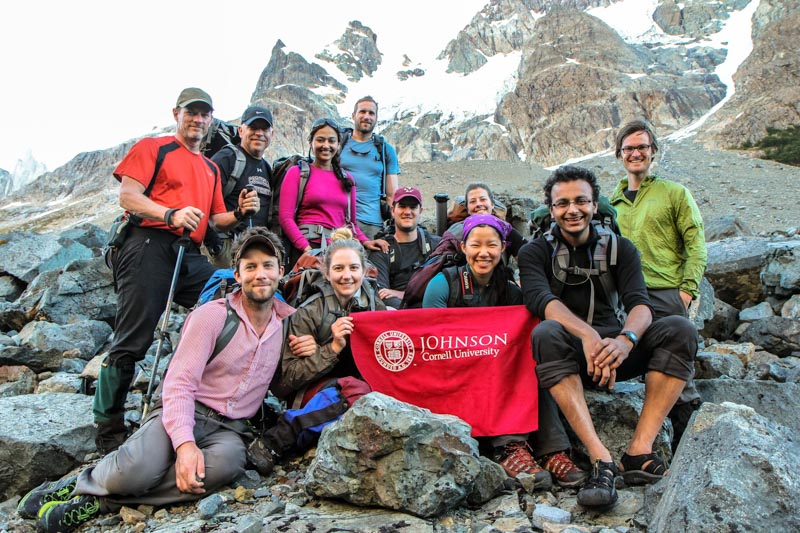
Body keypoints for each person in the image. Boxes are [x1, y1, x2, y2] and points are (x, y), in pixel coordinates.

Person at [19, 228, 293, 532]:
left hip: (230, 429)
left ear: (281, 271)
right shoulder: (212, 317)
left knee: (223, 468)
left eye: (268, 265)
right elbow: (179, 383)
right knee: (138, 468)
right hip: (186, 409)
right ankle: (84, 481)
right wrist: (186, 444)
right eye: (250, 266)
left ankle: (101, 501)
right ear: (237, 275)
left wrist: (331, 344)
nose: (260, 274)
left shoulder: (289, 322)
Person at [518, 165, 697, 509]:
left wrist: (625, 340)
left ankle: (639, 451)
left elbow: (640, 305)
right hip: (569, 354)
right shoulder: (534, 253)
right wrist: (587, 336)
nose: (573, 210)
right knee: (546, 332)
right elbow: (542, 301)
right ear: (552, 209)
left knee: (680, 329)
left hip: (617, 352)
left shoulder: (622, 248)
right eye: (563, 203)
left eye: (581, 201)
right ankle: (601, 458)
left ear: (595, 203)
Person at [94, 88, 262, 454]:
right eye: (192, 113)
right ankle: (108, 430)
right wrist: (169, 214)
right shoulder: (153, 148)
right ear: (177, 114)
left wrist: (241, 213)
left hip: (188, 253)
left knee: (229, 296)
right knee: (133, 336)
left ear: (211, 120)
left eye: (204, 115)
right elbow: (128, 196)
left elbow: (216, 220)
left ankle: (210, 399)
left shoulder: (210, 169)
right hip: (147, 243)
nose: (198, 120)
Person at [421, 214, 553, 489]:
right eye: (476, 245)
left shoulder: (511, 291)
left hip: (496, 372)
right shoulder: (442, 284)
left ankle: (553, 450)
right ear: (463, 247)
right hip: (452, 374)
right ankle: (510, 447)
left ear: (503, 248)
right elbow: (429, 341)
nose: (484, 253)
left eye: (491, 245)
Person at [609, 119, 707, 448]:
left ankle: (687, 440)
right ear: (619, 155)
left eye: (642, 147)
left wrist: (686, 290)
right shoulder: (611, 203)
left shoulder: (675, 194)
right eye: (629, 148)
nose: (636, 153)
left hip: (665, 292)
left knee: (675, 358)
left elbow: (696, 245)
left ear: (653, 152)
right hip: (623, 297)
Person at [281, 228, 386, 405]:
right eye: (338, 268)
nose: (347, 276)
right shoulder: (309, 311)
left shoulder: (376, 307)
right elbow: (289, 377)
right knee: (355, 391)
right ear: (327, 274)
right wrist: (332, 348)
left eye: (354, 268)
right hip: (316, 393)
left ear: (364, 272)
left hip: (361, 386)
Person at [278, 118, 387, 268]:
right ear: (311, 142)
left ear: (338, 145)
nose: (326, 146)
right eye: (320, 140)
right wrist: (307, 249)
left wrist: (366, 242)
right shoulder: (297, 173)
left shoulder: (347, 179)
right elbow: (285, 218)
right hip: (307, 248)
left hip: (339, 250)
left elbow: (351, 224)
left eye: (331, 141)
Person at [204, 105, 276, 268]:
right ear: (241, 130)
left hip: (255, 250)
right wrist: (216, 248)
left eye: (264, 129)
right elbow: (204, 205)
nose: (259, 133)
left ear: (272, 134)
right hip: (228, 248)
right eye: (253, 127)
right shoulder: (226, 158)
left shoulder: (266, 167)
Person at [339, 96, 400, 239]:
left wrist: (395, 225)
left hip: (372, 224)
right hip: (339, 220)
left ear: (376, 118)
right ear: (353, 116)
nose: (367, 117)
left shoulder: (385, 150)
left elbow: (392, 195)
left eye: (371, 113)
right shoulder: (339, 145)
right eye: (362, 112)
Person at [369, 186, 441, 308]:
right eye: (402, 206)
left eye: (413, 207)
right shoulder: (382, 249)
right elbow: (380, 295)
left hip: (432, 310)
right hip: (398, 316)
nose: (407, 212)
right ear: (393, 211)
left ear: (420, 211)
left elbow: (446, 287)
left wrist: (401, 294)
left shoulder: (437, 245)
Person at [439, 182, 526, 260]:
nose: (478, 204)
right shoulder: (455, 232)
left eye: (483, 199)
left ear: (492, 204)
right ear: (468, 208)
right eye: (473, 201)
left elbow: (529, 259)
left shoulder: (507, 230)